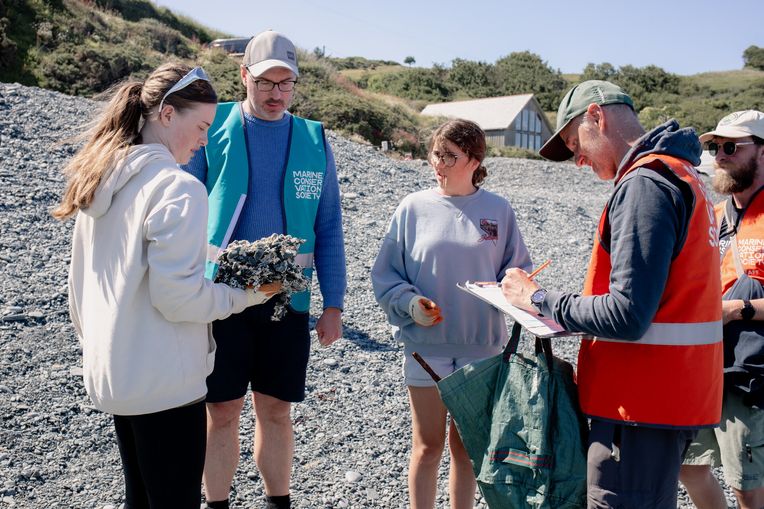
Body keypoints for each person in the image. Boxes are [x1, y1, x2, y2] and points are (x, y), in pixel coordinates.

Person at [54, 63, 280, 508]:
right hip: (165, 382)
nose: (203, 140)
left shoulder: (100, 179)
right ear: (167, 114)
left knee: (139, 496)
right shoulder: (177, 188)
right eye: (201, 126)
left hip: (115, 375)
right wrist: (249, 294)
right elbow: (178, 298)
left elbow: (78, 288)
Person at [501, 80, 724, 508]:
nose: (578, 160)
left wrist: (539, 299)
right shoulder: (682, 175)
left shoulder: (645, 184)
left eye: (573, 142)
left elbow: (627, 314)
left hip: (637, 406)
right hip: (665, 399)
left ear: (596, 116)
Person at [182, 30, 346, 509]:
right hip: (220, 299)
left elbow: (329, 224)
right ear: (244, 77)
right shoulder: (212, 129)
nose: (276, 94)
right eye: (265, 83)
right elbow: (184, 210)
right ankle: (217, 504)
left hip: (286, 303)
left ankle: (279, 503)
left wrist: (332, 303)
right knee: (223, 411)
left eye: (285, 84)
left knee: (275, 412)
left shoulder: (313, 140)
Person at [371, 119, 532, 509]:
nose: (438, 163)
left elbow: (517, 273)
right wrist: (410, 304)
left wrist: (516, 289)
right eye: (435, 154)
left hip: (483, 350)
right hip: (425, 348)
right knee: (427, 447)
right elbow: (386, 273)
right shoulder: (412, 208)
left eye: (449, 155)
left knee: (467, 452)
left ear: (475, 160)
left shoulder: (498, 209)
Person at [679, 110, 764, 509]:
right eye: (715, 148)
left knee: (747, 485)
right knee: (689, 467)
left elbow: (730, 302)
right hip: (704, 365)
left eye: (731, 147)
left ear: (762, 154)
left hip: (751, 376)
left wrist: (735, 310)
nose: (719, 156)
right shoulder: (713, 217)